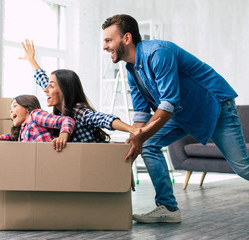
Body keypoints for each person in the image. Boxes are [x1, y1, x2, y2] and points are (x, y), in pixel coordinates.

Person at [101, 14, 249, 223]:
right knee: (148, 144)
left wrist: (142, 135)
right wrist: (135, 138)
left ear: (126, 38)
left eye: (109, 40)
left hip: (215, 107)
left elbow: (168, 103)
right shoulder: (131, 70)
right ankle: (168, 208)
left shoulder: (158, 53)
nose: (104, 46)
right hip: (183, 113)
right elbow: (140, 113)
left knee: (242, 165)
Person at [20, 40, 157, 159]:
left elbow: (104, 119)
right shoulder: (60, 106)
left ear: (64, 90)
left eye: (51, 86)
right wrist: (31, 59)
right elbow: (42, 79)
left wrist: (133, 130)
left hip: (93, 161)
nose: (45, 89)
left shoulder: (79, 111)